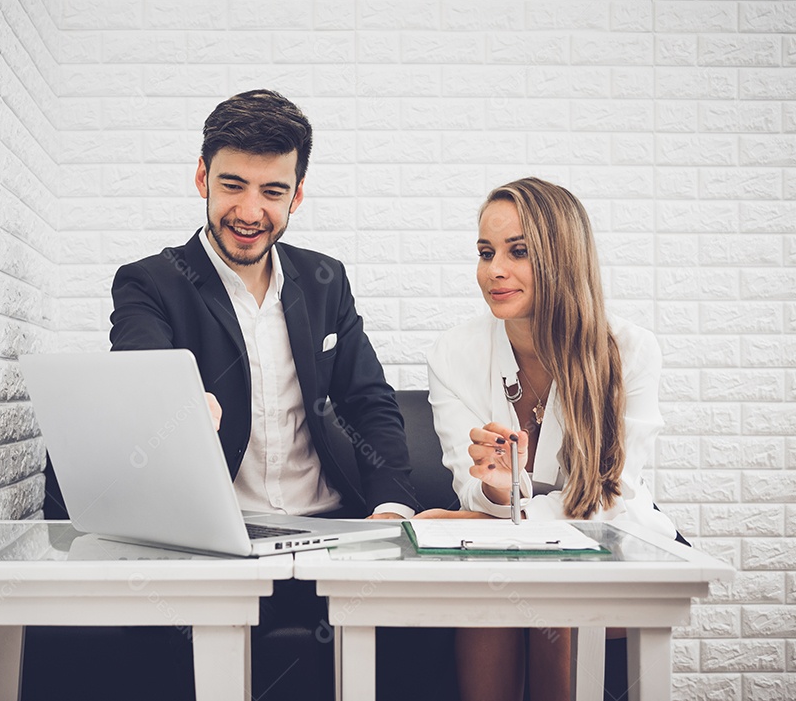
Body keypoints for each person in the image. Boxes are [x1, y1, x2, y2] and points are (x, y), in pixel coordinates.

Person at [108, 89, 419, 700]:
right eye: (232, 185)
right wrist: (174, 400)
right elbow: (141, 369)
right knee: (166, 644)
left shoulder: (325, 280)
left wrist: (391, 510)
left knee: (398, 637)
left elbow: (370, 401)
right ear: (202, 176)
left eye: (272, 191)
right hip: (215, 548)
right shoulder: (151, 281)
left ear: (297, 193)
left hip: (330, 539)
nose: (249, 211)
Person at [419, 177, 677, 701]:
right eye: (486, 252)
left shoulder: (629, 350)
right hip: (506, 554)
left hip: (614, 544)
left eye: (519, 252)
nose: (495, 270)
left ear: (562, 257)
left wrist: (494, 519)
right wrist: (493, 491)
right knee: (495, 602)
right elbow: (471, 492)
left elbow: (610, 497)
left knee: (552, 594)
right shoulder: (452, 353)